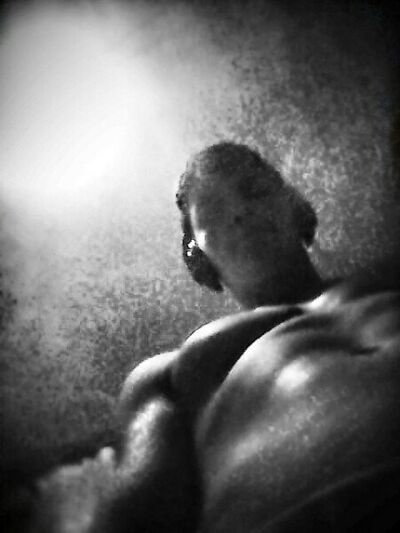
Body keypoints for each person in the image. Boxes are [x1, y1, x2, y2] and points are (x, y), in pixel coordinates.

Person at [30, 143, 400, 532]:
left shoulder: (389, 277)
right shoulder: (167, 374)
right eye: (214, 212)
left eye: (255, 191)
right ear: (196, 252)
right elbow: (138, 520)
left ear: (297, 204)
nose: (240, 212)